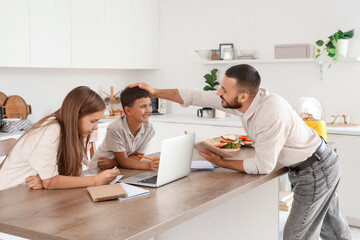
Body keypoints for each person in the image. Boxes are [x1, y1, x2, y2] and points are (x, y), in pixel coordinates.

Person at [128, 64, 352, 240]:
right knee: (333, 229)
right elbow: (195, 95)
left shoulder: (269, 113)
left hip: (315, 170)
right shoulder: (247, 102)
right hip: (319, 163)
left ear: (243, 96)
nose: (219, 93)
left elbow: (263, 166)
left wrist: (221, 162)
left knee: (296, 235)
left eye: (224, 90)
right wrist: (156, 91)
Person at [0, 86, 120, 191]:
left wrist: (45, 180)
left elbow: (72, 174)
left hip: (32, 193)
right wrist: (95, 180)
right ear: (75, 116)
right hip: (10, 195)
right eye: (92, 121)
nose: (95, 127)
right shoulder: (51, 129)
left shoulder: (75, 131)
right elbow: (51, 182)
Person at [88, 87, 158, 174]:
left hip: (121, 168)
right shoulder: (115, 128)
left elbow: (137, 156)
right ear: (128, 110)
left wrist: (114, 162)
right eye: (143, 106)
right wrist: (148, 165)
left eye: (150, 105)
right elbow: (123, 161)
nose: (148, 110)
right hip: (100, 170)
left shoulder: (149, 129)